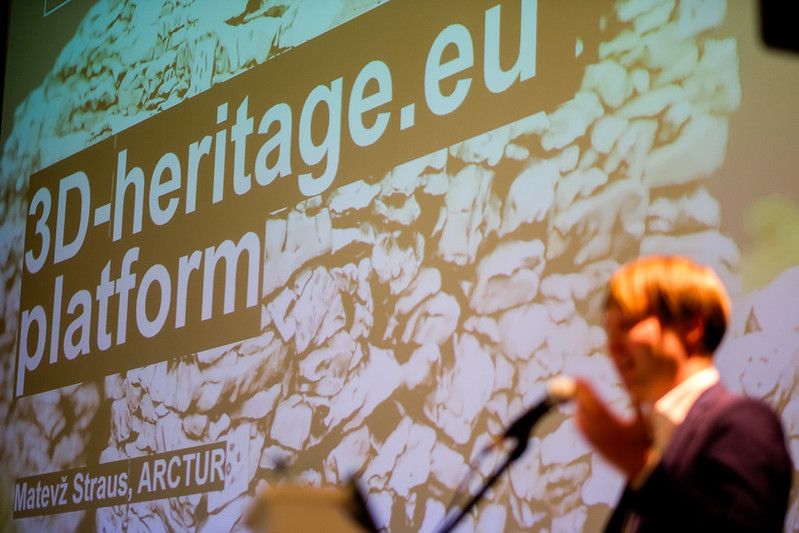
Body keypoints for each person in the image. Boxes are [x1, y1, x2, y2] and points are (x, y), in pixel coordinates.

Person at [575, 255, 792, 532]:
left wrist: (640, 467)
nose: (613, 348)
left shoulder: (743, 423)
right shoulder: (658, 442)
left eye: (628, 324)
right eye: (609, 332)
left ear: (691, 327)